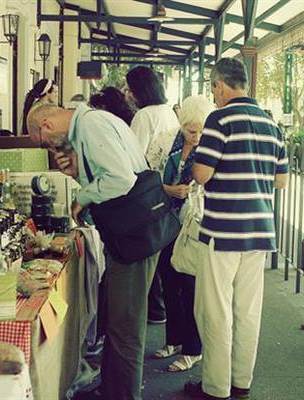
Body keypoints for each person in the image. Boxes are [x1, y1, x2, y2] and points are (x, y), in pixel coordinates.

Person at [26, 103, 159, 400]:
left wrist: (80, 198)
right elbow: (107, 177)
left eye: (43, 141)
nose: (49, 147)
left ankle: (123, 395)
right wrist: (76, 172)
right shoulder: (89, 125)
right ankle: (111, 388)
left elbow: (120, 180)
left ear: (46, 125)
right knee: (115, 320)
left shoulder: (91, 126)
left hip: (134, 237)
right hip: (129, 234)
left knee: (126, 327)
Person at [184, 58, 289, 400]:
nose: (213, 96)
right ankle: (241, 382)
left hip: (223, 230)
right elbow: (281, 181)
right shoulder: (271, 125)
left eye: (213, 89)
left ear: (220, 85)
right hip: (259, 230)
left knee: (215, 311)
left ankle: (215, 387)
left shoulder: (220, 119)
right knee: (247, 311)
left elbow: (201, 175)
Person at [146, 95, 213, 373]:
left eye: (201, 130)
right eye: (191, 130)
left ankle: (193, 349)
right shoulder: (164, 141)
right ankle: (173, 340)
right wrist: (168, 189)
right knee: (168, 283)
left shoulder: (212, 144)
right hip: (165, 219)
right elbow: (147, 176)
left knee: (190, 287)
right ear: (181, 124)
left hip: (193, 224)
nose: (196, 136)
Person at [126, 66, 180, 324]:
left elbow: (134, 157)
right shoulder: (169, 112)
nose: (127, 94)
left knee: (150, 251)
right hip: (169, 189)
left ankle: (155, 308)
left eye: (130, 88)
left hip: (148, 189)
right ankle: (163, 309)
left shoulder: (144, 116)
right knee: (165, 251)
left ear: (139, 90)